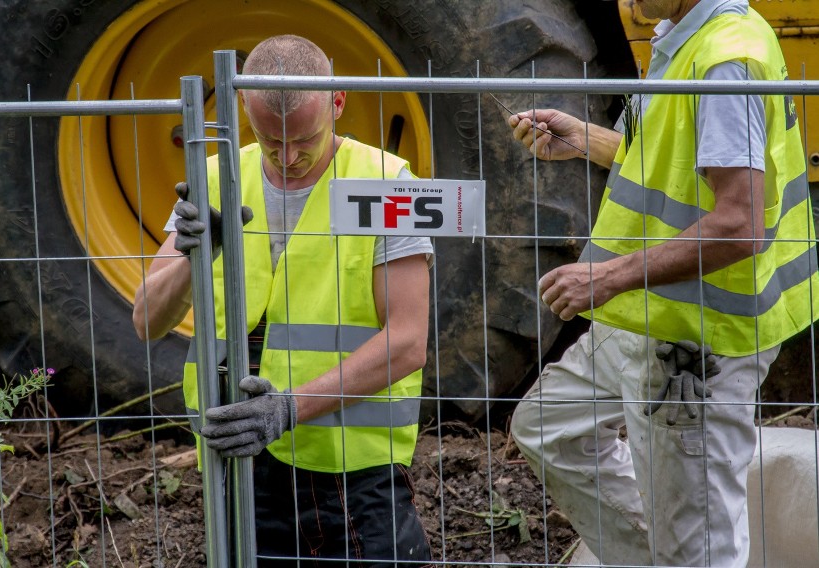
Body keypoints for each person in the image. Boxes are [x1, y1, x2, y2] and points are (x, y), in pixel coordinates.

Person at [507, 1, 819, 566]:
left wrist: (607, 276)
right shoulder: (686, 37)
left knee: (700, 549)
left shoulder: (725, 63)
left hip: (700, 339)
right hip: (652, 313)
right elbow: (675, 160)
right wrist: (585, 139)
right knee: (547, 425)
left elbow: (739, 224)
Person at [132, 34, 433, 567]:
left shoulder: (387, 184)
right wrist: (192, 254)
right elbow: (147, 322)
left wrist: (290, 407)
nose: (289, 157)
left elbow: (408, 342)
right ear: (242, 110)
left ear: (338, 103)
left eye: (306, 139)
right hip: (241, 462)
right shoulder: (216, 179)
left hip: (352, 474)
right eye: (271, 141)